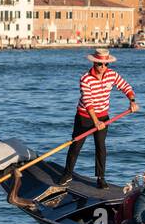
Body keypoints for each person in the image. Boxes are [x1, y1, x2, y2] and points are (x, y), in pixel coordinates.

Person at [59, 47, 138, 188]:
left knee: (101, 147)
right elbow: (88, 102)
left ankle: (100, 178)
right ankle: (67, 173)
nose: (103, 67)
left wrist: (132, 101)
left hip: (103, 117)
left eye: (106, 64)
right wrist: (95, 122)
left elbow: (125, 86)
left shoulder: (112, 75)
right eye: (100, 64)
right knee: (76, 146)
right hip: (84, 117)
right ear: (94, 63)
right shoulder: (85, 79)